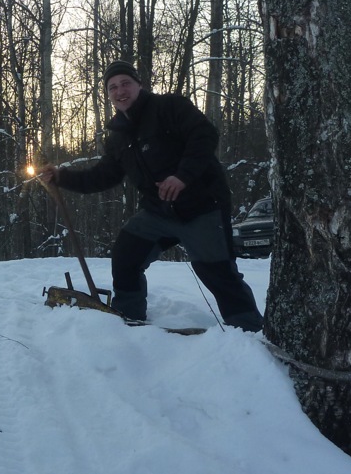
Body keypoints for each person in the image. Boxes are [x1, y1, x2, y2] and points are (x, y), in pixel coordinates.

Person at [40, 60, 263, 332]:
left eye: (125, 84)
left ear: (139, 85)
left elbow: (204, 135)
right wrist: (61, 177)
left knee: (217, 273)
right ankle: (129, 318)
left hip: (202, 207)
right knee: (126, 254)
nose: (120, 91)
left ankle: (249, 331)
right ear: (108, 95)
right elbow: (103, 176)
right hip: (159, 212)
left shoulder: (169, 107)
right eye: (113, 87)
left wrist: (182, 176)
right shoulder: (118, 136)